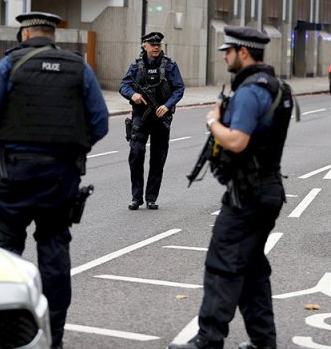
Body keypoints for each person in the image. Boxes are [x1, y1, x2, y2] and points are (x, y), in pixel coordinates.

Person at [0, 11, 109, 349]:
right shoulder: (79, 67)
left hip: (12, 174)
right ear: (54, 36)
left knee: (6, 254)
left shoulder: (10, 65)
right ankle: (54, 337)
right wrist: (72, 148)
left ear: (24, 35)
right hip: (59, 177)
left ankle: (6, 334)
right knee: (54, 251)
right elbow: (100, 123)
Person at [170, 26, 294, 349]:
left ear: (244, 52)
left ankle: (209, 340)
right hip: (267, 189)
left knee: (222, 263)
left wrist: (213, 121)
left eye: (229, 50)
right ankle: (263, 342)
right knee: (252, 270)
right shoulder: (274, 86)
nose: (225, 55)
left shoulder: (251, 91)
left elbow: (237, 142)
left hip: (248, 196)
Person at [119, 32, 185, 210]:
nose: (156, 47)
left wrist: (168, 104)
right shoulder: (136, 66)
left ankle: (151, 198)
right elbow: (123, 85)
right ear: (144, 46)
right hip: (141, 116)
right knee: (136, 155)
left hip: (161, 117)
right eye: (152, 44)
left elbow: (179, 88)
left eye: (158, 44)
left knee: (158, 158)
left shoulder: (170, 66)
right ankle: (136, 197)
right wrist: (133, 94)